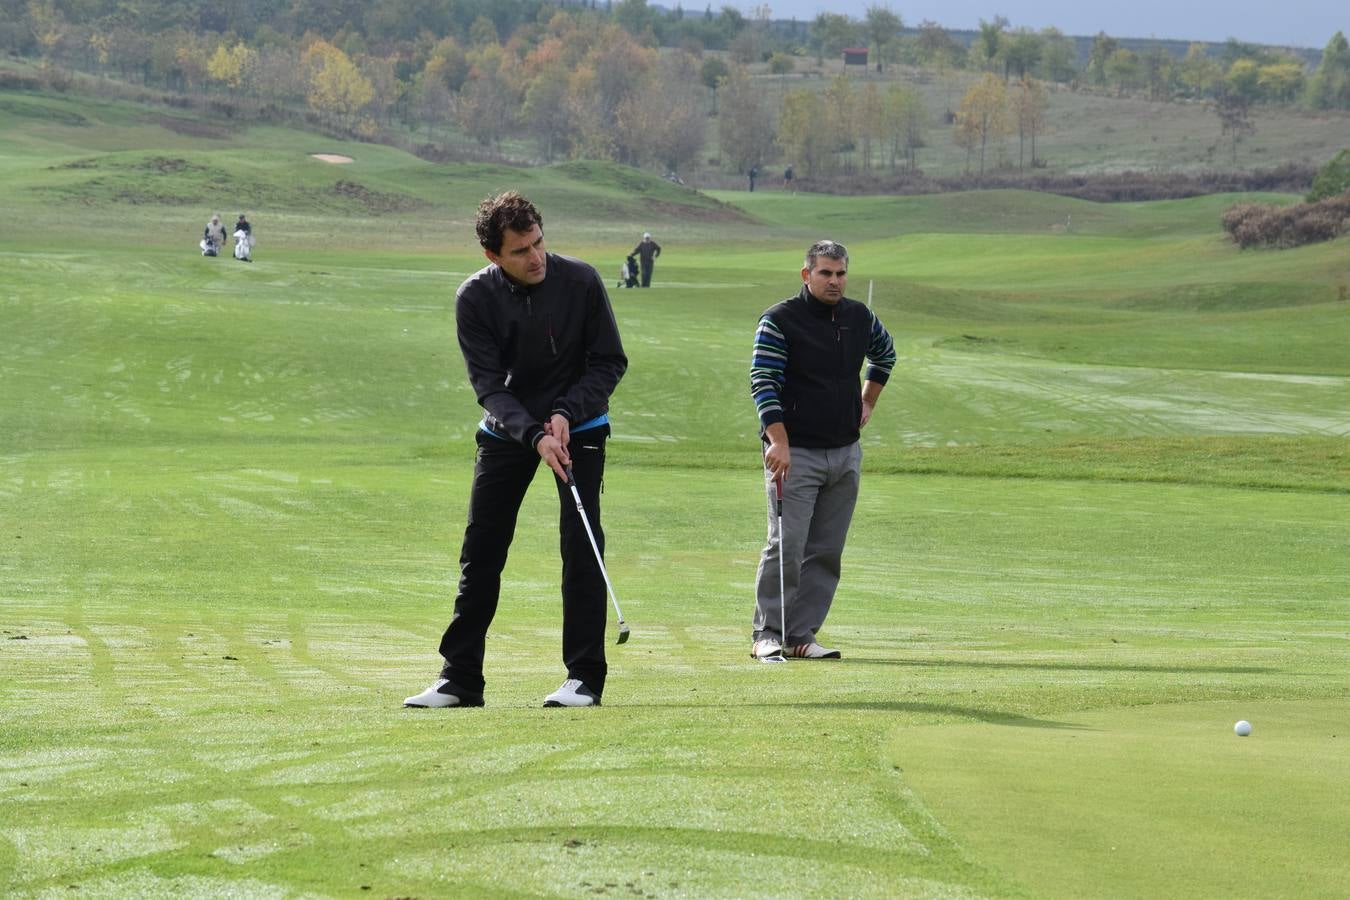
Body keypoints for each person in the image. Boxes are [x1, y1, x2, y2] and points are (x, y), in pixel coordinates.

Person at [405, 191, 628, 709]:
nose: (536, 257)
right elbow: (489, 385)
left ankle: (584, 678)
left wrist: (565, 414)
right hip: (508, 431)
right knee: (481, 549)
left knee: (581, 545)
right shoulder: (474, 298)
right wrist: (533, 433)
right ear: (492, 256)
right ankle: (460, 679)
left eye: (539, 242)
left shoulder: (582, 281)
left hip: (580, 426)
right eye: (520, 251)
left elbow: (608, 362)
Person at [747, 239, 896, 660]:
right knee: (787, 545)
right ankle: (767, 634)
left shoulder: (858, 316)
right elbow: (763, 381)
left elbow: (886, 354)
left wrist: (867, 401)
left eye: (841, 273)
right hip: (795, 453)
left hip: (845, 452)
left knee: (827, 550)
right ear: (806, 274)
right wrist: (778, 440)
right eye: (826, 273)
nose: (834, 281)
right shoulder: (780, 319)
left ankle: (800, 635)